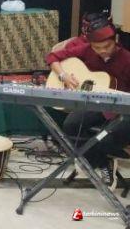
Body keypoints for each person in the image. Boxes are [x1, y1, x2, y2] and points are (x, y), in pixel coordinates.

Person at [46, 14, 130, 190]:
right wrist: (63, 75)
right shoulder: (86, 50)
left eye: (107, 46)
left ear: (115, 40)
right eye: (97, 48)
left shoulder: (127, 59)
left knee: (108, 137)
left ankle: (93, 159)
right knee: (71, 125)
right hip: (96, 105)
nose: (103, 51)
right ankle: (101, 162)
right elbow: (52, 57)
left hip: (122, 110)